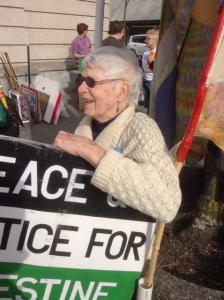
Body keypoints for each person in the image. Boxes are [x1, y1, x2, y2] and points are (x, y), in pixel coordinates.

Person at [54, 46, 181, 223]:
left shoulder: (141, 128)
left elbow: (168, 203)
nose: (81, 88)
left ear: (121, 91)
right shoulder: (86, 125)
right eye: (80, 80)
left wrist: (94, 152)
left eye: (91, 82)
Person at [142, 29, 159, 114]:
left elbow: (154, 69)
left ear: (154, 40)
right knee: (148, 104)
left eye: (148, 38)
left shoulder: (157, 53)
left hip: (152, 81)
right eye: (146, 38)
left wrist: (151, 62)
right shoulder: (146, 53)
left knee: (152, 104)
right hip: (146, 80)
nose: (146, 40)